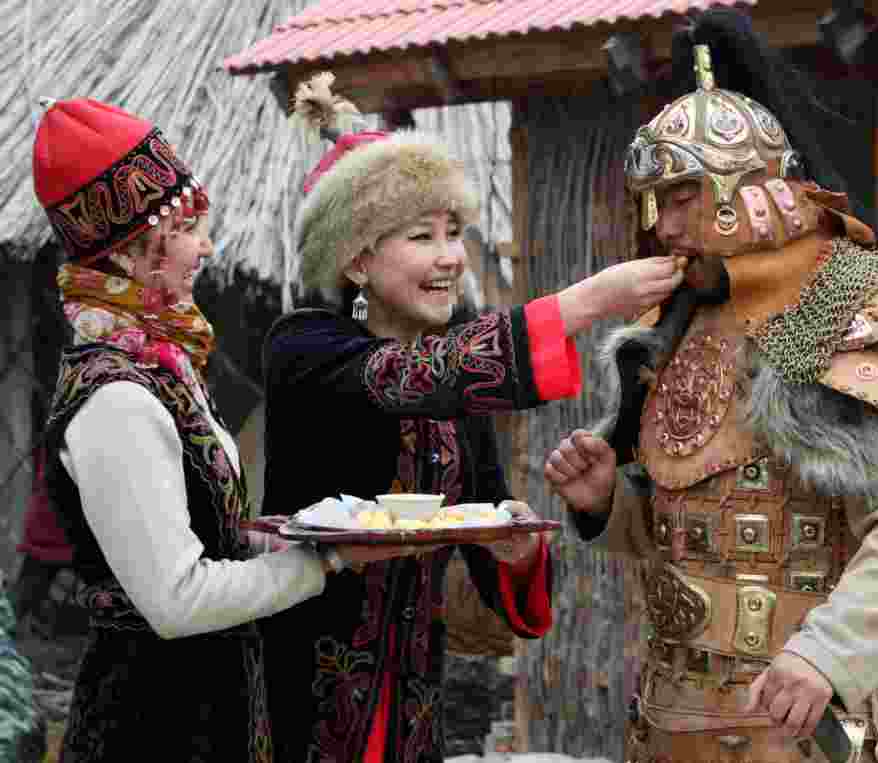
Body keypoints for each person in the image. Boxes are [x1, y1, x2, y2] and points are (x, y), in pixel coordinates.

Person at [543, 10, 878, 763]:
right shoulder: (674, 322)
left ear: (746, 188)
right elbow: (693, 528)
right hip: (673, 718)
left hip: (807, 725)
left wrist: (826, 654)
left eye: (684, 195)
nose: (662, 225)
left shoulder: (842, 302)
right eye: (655, 201)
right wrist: (612, 503)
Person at [259, 72, 686, 763]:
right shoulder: (304, 349)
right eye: (422, 235)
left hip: (416, 720)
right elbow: (406, 378)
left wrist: (516, 554)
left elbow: (504, 587)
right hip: (297, 716)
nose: (451, 257)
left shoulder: (462, 396)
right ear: (358, 259)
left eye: (455, 232)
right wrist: (581, 304)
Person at [31, 97, 349, 762]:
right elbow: (177, 598)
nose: (207, 247)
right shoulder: (116, 395)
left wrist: (314, 530)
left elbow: (211, 536)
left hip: (207, 711)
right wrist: (322, 563)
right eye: (185, 229)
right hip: (151, 726)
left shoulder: (162, 363)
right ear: (131, 249)